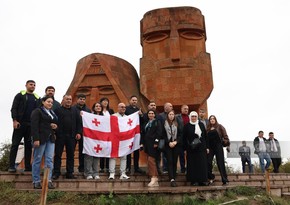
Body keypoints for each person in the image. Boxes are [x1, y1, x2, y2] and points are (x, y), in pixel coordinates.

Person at [8, 80, 41, 172]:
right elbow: (14, 108)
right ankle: (11, 166)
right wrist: (15, 120)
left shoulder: (37, 98)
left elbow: (39, 112)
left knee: (28, 146)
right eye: (31, 84)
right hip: (20, 123)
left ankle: (27, 166)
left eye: (34, 85)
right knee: (15, 144)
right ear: (26, 85)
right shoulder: (20, 95)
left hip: (31, 125)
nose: (33, 86)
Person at [52, 95, 82, 179]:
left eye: (70, 99)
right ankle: (56, 172)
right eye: (67, 99)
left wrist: (79, 132)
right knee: (58, 154)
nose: (69, 101)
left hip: (71, 136)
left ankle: (70, 173)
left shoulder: (75, 110)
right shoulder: (57, 110)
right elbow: (53, 121)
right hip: (60, 136)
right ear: (63, 100)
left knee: (71, 155)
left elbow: (79, 123)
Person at [31, 96, 58, 189]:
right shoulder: (37, 111)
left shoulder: (52, 112)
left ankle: (48, 180)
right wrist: (36, 139)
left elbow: (51, 123)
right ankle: (36, 181)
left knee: (49, 159)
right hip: (41, 138)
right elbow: (34, 126)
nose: (50, 103)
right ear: (43, 102)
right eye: (48, 101)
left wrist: (54, 126)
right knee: (37, 159)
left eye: (51, 102)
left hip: (50, 139)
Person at [183, 111, 209, 186]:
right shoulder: (187, 126)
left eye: (195, 116)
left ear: (197, 117)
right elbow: (184, 138)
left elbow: (205, 136)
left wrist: (207, 147)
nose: (194, 118)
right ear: (190, 117)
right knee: (193, 164)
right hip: (191, 148)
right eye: (192, 116)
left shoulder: (201, 124)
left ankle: (203, 180)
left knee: (202, 163)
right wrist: (185, 148)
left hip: (201, 147)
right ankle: (194, 181)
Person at [108, 103, 130, 180]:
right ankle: (112, 173)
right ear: (118, 108)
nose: (123, 108)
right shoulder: (113, 116)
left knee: (124, 157)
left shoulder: (128, 118)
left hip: (124, 140)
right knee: (113, 156)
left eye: (124, 107)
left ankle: (123, 173)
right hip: (114, 139)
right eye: (121, 107)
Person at [141, 109, 162, 186]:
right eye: (149, 113)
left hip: (154, 144)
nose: (151, 115)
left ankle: (153, 177)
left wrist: (156, 141)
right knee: (149, 160)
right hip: (147, 144)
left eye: (152, 113)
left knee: (151, 160)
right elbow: (143, 133)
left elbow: (159, 133)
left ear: (154, 114)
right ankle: (155, 179)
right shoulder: (146, 123)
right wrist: (142, 143)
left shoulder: (157, 122)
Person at [125, 95, 145, 174]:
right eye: (133, 100)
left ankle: (136, 167)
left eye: (136, 100)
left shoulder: (138, 110)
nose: (134, 102)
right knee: (128, 151)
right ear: (130, 100)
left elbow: (143, 120)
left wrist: (141, 115)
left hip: (136, 133)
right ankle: (128, 167)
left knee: (136, 150)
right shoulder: (126, 109)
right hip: (128, 133)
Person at [207, 115, 229, 185]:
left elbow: (225, 136)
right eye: (211, 119)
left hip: (218, 146)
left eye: (213, 119)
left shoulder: (220, 126)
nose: (212, 120)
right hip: (210, 147)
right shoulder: (207, 128)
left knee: (220, 162)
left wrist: (225, 143)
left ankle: (224, 179)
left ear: (215, 120)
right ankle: (210, 177)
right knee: (208, 162)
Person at [162, 110, 182, 187]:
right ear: (167, 115)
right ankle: (172, 179)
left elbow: (180, 134)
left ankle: (174, 175)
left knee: (174, 161)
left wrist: (176, 142)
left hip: (175, 144)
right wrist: (169, 142)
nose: (171, 116)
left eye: (172, 114)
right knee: (169, 161)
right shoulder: (164, 123)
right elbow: (163, 134)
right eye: (170, 114)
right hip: (168, 145)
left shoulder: (177, 123)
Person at [72, 93, 91, 173]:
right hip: (74, 132)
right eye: (80, 99)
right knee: (71, 151)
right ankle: (70, 168)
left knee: (82, 151)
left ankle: (82, 167)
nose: (82, 100)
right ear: (77, 100)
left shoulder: (88, 110)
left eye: (83, 99)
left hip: (84, 134)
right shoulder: (73, 109)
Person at [83, 102, 102, 180]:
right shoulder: (89, 116)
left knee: (97, 156)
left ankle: (96, 173)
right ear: (93, 108)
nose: (98, 107)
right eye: (96, 106)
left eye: (99, 106)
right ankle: (88, 173)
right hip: (90, 138)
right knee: (89, 156)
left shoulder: (104, 117)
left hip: (99, 139)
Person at [99, 97, 114, 173]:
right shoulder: (99, 111)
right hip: (102, 132)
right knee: (102, 148)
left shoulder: (110, 111)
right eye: (104, 101)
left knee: (108, 149)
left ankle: (107, 167)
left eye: (106, 101)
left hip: (109, 132)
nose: (105, 102)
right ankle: (101, 167)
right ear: (101, 102)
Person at [158, 102, 173, 173]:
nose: (171, 107)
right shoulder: (160, 115)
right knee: (164, 154)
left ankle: (171, 168)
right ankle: (165, 169)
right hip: (163, 138)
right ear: (166, 107)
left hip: (172, 138)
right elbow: (160, 126)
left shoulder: (173, 115)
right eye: (170, 106)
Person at [175, 105, 189, 173]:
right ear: (181, 109)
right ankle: (182, 168)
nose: (186, 110)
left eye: (187, 109)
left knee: (189, 154)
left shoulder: (190, 117)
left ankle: (189, 168)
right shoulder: (177, 117)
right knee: (181, 154)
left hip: (188, 138)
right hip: (180, 138)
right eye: (185, 109)